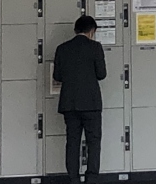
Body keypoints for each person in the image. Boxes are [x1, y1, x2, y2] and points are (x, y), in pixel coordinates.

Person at [53, 15, 106, 184]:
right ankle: (91, 179)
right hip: (91, 104)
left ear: (75, 30)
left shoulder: (62, 48)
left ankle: (74, 179)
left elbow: (57, 76)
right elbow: (101, 74)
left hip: (69, 103)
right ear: (92, 31)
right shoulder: (95, 47)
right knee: (93, 143)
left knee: (72, 142)